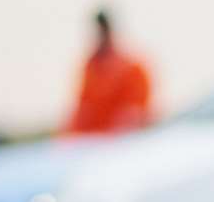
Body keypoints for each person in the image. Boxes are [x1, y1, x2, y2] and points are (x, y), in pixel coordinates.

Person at [63, 8, 154, 136]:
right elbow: (82, 110)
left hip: (123, 143)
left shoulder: (133, 69)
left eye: (103, 31)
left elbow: (136, 114)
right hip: (94, 143)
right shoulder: (90, 69)